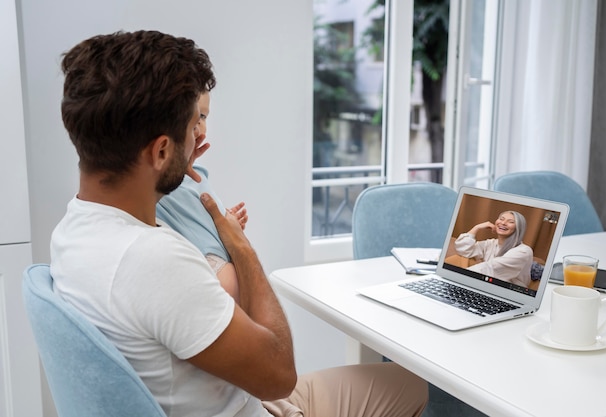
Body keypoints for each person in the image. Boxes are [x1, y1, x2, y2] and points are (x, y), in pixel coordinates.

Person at [50, 30, 428, 417]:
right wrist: (240, 246)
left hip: (235, 395)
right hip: (262, 401)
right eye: (191, 129)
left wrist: (171, 169)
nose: (199, 135)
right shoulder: (154, 261)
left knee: (406, 382)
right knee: (418, 390)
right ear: (160, 149)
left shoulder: (73, 231)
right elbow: (279, 375)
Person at [157, 91, 246, 302]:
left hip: (221, 250)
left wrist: (227, 220)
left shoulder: (197, 174)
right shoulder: (161, 179)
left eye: (203, 117)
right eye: (192, 118)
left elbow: (203, 210)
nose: (198, 126)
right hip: (208, 261)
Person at [454, 210, 533, 287]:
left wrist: (458, 277)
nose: (503, 223)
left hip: (509, 292)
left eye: (511, 222)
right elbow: (463, 250)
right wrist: (476, 227)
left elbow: (491, 268)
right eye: (501, 219)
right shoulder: (491, 243)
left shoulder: (524, 251)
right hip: (485, 284)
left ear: (518, 228)